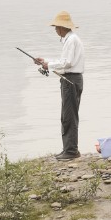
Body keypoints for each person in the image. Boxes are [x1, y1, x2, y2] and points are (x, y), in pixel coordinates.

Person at [33, 11, 85, 161]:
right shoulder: (71, 40)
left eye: (56, 27)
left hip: (71, 81)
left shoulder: (71, 40)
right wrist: (46, 63)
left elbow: (66, 63)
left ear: (62, 27)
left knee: (69, 116)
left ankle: (71, 151)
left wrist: (48, 64)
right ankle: (68, 149)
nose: (55, 30)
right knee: (67, 115)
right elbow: (65, 63)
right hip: (71, 79)